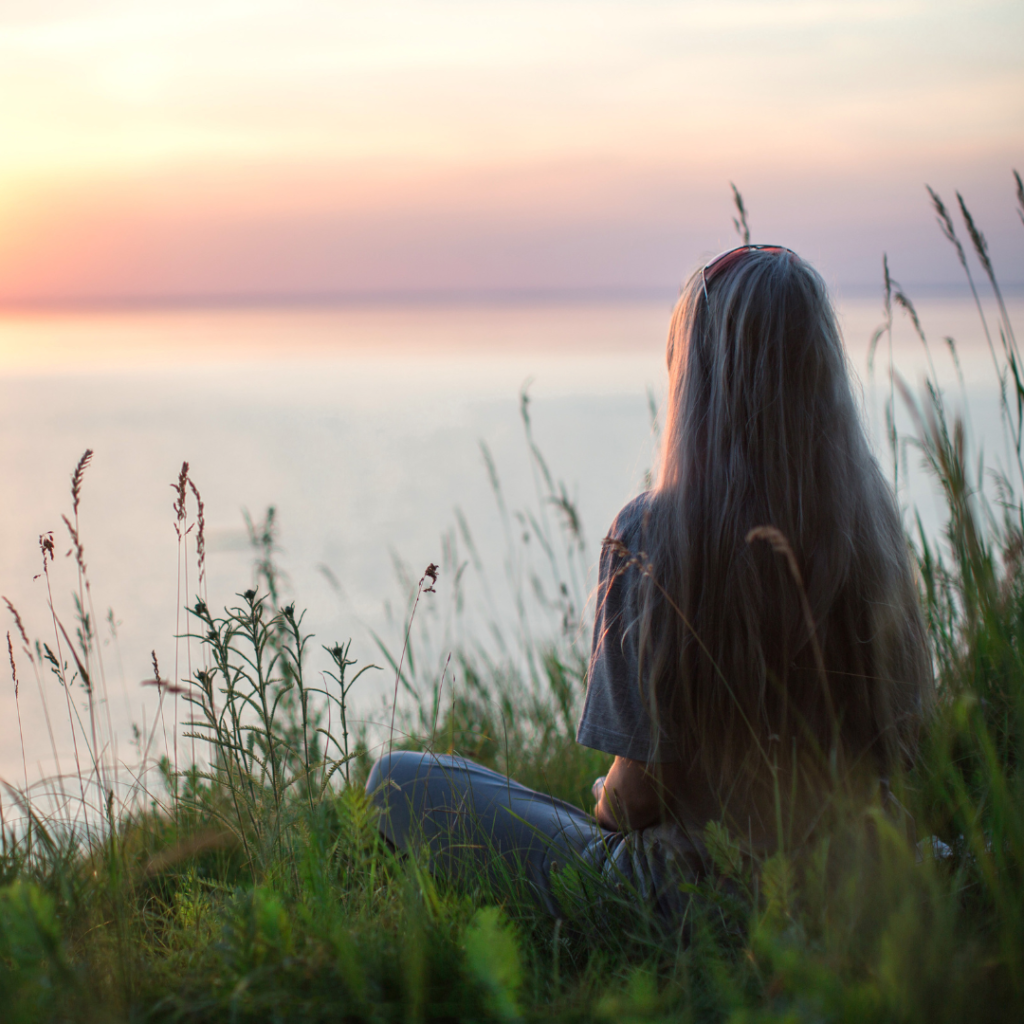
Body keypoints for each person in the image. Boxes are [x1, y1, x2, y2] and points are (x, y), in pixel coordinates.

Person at [366, 244, 934, 917]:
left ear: (697, 376)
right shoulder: (873, 530)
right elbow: (907, 748)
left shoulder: (655, 535)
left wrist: (605, 796)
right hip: (861, 885)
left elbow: (637, 799)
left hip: (694, 898)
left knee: (403, 781)